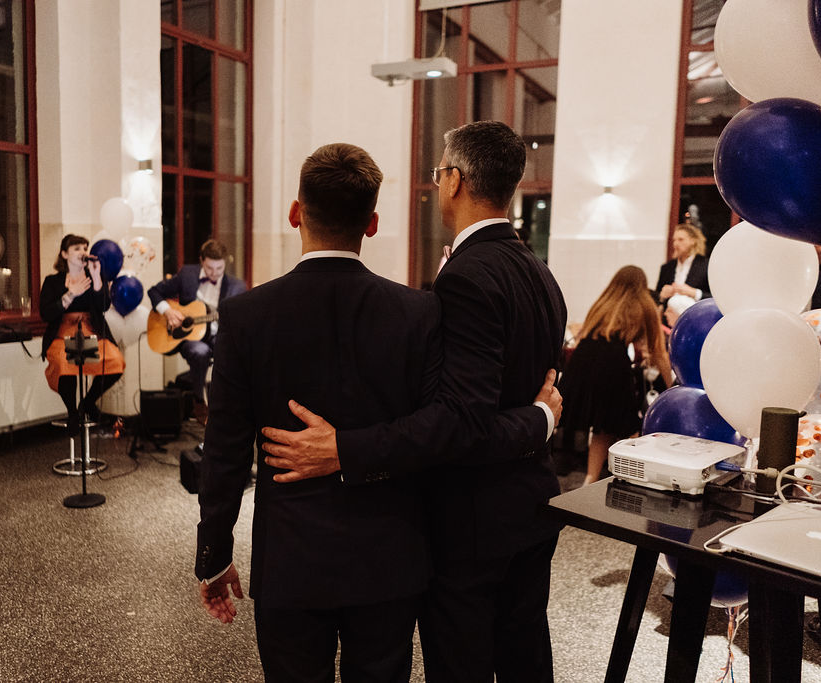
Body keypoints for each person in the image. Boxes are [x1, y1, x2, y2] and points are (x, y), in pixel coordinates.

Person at [262, 121, 567, 682]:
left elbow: (461, 422)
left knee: (462, 664)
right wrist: (542, 417)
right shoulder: (541, 273)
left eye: (436, 176)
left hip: (471, 518)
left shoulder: (467, 277)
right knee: (526, 655)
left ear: (453, 181)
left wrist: (537, 419)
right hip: (531, 508)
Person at [195, 143, 442, 681]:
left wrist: (214, 551)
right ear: (372, 224)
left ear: (294, 213)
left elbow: (226, 449)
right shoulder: (418, 313)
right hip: (388, 558)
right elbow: (434, 432)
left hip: (292, 559)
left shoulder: (247, 316)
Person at [559, 265, 673, 485]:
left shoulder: (603, 302)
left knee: (601, 425)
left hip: (582, 361)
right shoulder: (644, 305)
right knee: (625, 426)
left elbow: (583, 335)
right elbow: (658, 352)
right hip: (612, 364)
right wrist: (672, 387)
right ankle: (637, 479)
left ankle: (590, 478)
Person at [147, 239, 246, 419]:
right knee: (200, 352)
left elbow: (241, 321)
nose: (214, 274)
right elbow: (154, 292)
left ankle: (229, 406)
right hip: (189, 337)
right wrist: (167, 311)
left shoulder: (236, 287)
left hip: (218, 335)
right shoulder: (187, 274)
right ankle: (199, 401)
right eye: (209, 268)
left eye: (219, 269)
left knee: (234, 352)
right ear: (202, 261)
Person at [40, 234, 125, 427]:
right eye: (77, 248)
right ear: (64, 254)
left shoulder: (94, 276)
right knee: (64, 362)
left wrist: (96, 277)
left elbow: (103, 305)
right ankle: (72, 412)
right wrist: (71, 294)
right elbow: (46, 313)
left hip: (89, 332)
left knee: (115, 361)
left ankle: (87, 403)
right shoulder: (53, 281)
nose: (83, 252)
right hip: (63, 334)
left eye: (85, 248)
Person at [655, 223, 711, 306]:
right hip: (668, 316)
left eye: (681, 239)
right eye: (674, 240)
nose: (675, 244)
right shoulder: (667, 268)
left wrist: (694, 293)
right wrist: (661, 296)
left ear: (693, 241)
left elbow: (715, 298)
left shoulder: (706, 266)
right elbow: (656, 299)